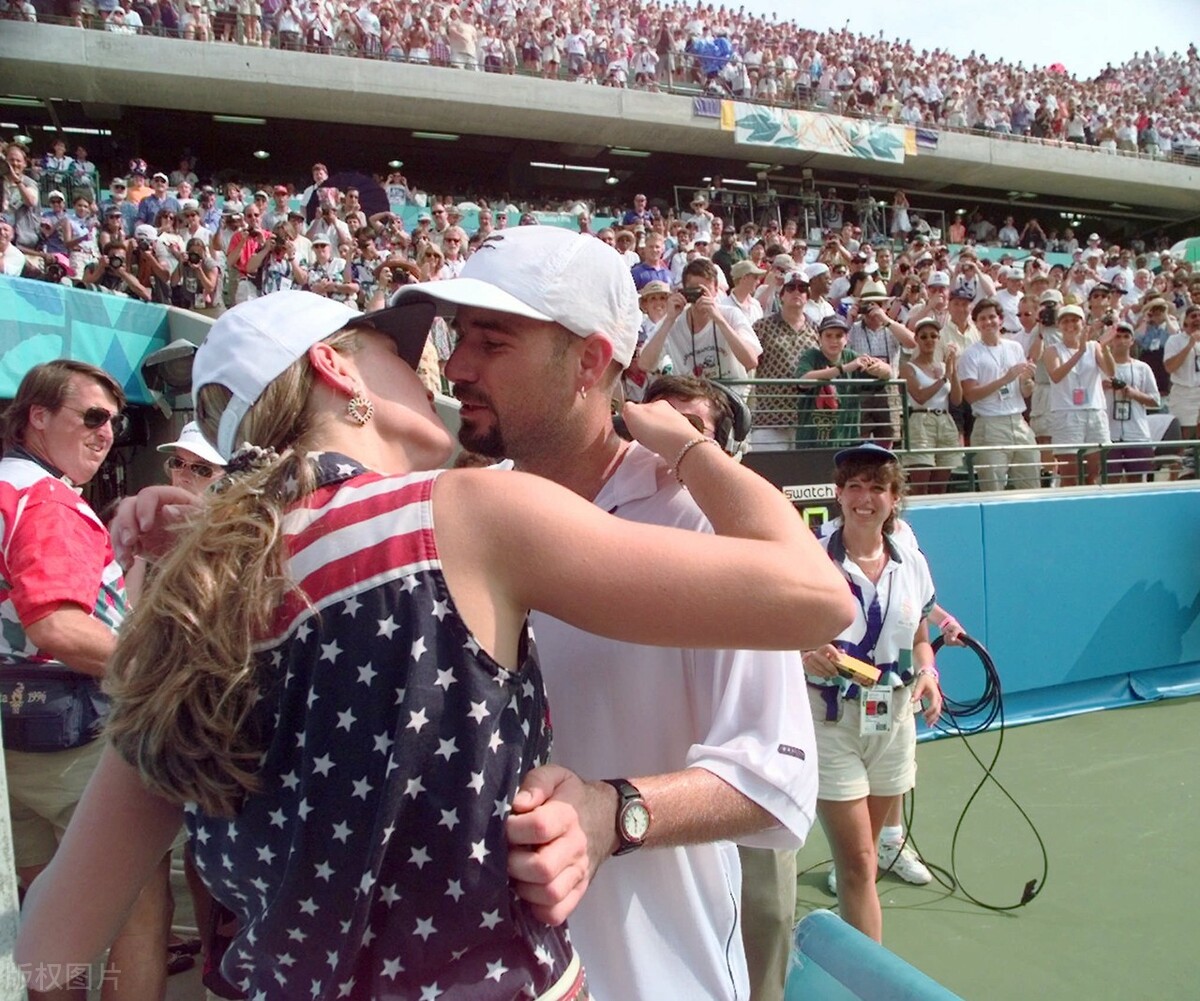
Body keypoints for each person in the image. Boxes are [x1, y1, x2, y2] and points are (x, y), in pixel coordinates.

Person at [18, 284, 852, 1000]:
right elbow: (815, 597)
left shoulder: (189, 607)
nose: (439, 370)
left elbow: (51, 936)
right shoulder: (466, 513)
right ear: (334, 369)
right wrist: (691, 444)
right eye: (395, 349)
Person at [393, 227, 852, 1001]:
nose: (459, 367)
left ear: (590, 362)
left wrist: (616, 811)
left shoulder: (690, 519)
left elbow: (777, 775)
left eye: (493, 342)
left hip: (658, 979)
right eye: (458, 338)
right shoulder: (460, 513)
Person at [0, 360, 171, 1000]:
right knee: (135, 912)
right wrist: (165, 673)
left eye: (116, 421)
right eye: (92, 416)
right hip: (78, 741)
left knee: (49, 920)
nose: (107, 433)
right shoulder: (46, 500)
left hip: (15, 745)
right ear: (37, 416)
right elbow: (58, 628)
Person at [803, 442, 942, 943]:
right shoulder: (810, 555)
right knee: (860, 864)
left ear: (893, 498)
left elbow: (920, 639)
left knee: (868, 854)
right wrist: (802, 653)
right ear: (838, 495)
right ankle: (866, 980)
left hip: (893, 717)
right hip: (830, 720)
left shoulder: (911, 560)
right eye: (855, 487)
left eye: (877, 488)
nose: (865, 498)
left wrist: (928, 675)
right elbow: (771, 637)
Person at [958, 298, 1041, 492]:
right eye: (982, 318)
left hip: (1018, 422)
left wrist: (1028, 380)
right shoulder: (970, 354)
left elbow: (1024, 390)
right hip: (989, 425)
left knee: (1031, 486)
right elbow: (970, 395)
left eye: (992, 317)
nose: (988, 322)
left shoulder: (1015, 348)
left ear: (1001, 320)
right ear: (976, 323)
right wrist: (1005, 379)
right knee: (993, 489)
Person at [1044, 303, 1116, 486]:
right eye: (1065, 321)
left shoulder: (1094, 347)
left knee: (1093, 474)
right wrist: (1080, 352)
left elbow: (1110, 371)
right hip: (1066, 413)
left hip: (1094, 411)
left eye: (1075, 320)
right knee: (1070, 475)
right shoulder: (1053, 350)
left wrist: (1105, 348)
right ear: (1059, 325)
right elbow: (1056, 376)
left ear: (1083, 323)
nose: (1070, 325)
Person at [796, 315, 891, 446]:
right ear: (819, 339)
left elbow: (885, 374)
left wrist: (881, 369)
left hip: (847, 440)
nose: (833, 340)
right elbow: (803, 381)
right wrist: (843, 368)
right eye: (828, 335)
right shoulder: (811, 356)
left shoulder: (851, 356)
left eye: (839, 336)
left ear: (846, 339)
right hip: (812, 441)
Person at [900, 318, 963, 494]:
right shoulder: (908, 367)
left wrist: (953, 370)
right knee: (920, 485)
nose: (929, 340)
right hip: (920, 420)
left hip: (944, 419)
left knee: (940, 487)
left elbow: (957, 400)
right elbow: (919, 396)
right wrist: (943, 379)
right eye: (924, 336)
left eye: (934, 336)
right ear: (917, 340)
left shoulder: (944, 366)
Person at [1104, 321, 1162, 482]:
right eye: (1117, 336)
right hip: (1109, 432)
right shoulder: (1101, 366)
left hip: (1136, 432)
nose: (1121, 340)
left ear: (1132, 340)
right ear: (1111, 340)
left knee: (1136, 481)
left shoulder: (1142, 368)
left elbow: (1156, 400)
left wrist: (1133, 393)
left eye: (1126, 336)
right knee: (1110, 481)